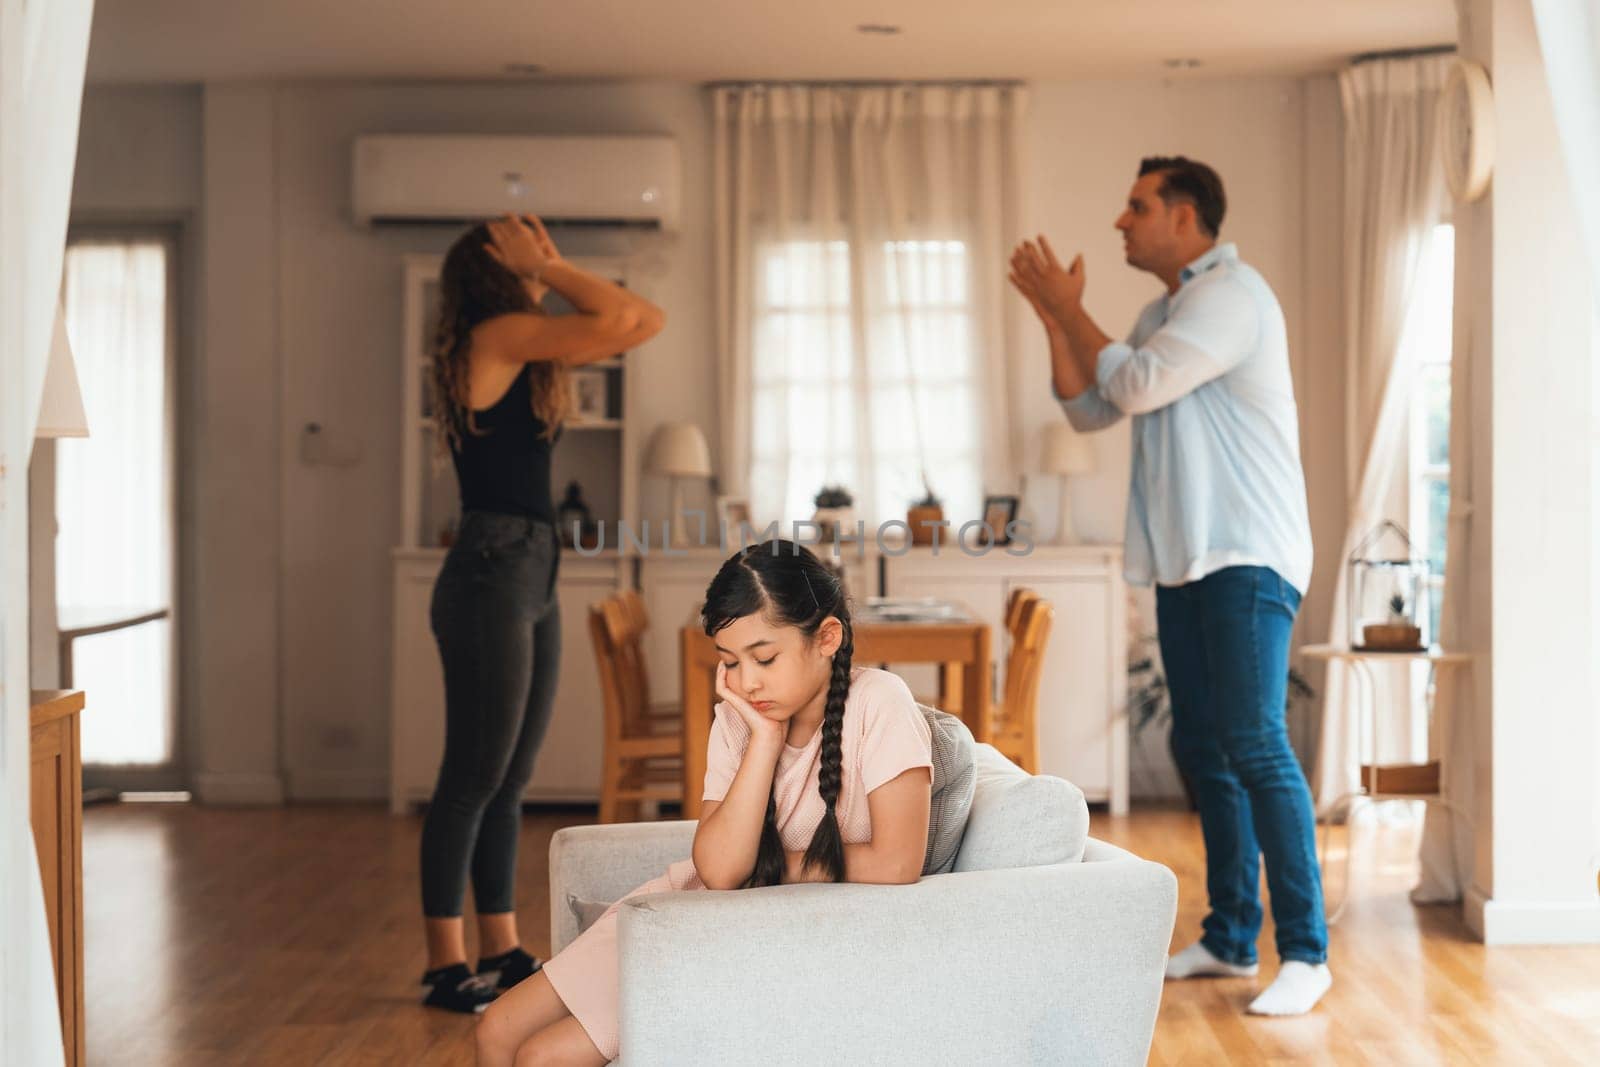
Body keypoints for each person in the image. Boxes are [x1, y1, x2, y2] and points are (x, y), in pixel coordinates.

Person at [1008, 157, 1329, 1016]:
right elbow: (1089, 409)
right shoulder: (1162, 311)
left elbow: (1139, 383)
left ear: (1184, 218)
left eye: (1137, 205)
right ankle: (1230, 936)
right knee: (1202, 746)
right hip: (1187, 562)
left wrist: (1075, 310)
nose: (1122, 219)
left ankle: (1305, 950)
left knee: (1254, 742)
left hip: (1247, 553)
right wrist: (1053, 316)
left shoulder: (1234, 296)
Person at [474, 540, 936, 1064]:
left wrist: (771, 867)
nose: (747, 681)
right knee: (495, 1029)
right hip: (695, 908)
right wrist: (764, 738)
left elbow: (898, 861)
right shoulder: (741, 717)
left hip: (751, 933)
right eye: (730, 662)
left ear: (827, 637)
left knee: (542, 1056)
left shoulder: (880, 703)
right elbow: (717, 870)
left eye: (764, 658)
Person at [420, 214, 665, 1013]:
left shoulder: (520, 348)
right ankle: (444, 964)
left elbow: (643, 322)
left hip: (529, 565)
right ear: (492, 271)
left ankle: (502, 945)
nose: (535, 259)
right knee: (472, 775)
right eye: (518, 251)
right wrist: (554, 269)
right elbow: (626, 316)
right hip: (491, 567)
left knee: (512, 775)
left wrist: (550, 264)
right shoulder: (493, 336)